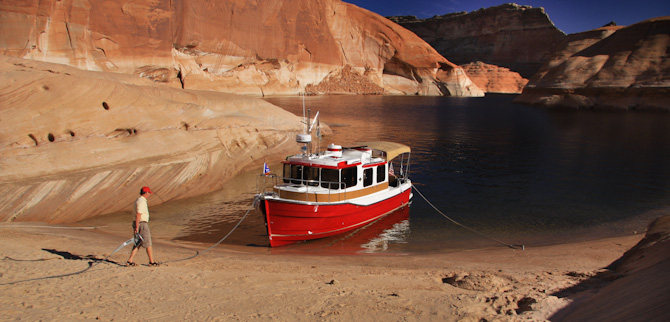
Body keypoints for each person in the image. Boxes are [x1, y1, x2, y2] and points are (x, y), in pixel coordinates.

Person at [126, 186, 159, 266]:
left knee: (138, 242)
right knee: (148, 242)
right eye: (148, 193)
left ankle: (130, 260)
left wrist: (136, 226)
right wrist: (137, 227)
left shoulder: (138, 200)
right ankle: (151, 261)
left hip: (138, 223)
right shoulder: (142, 201)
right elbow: (138, 214)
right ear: (146, 193)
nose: (149, 195)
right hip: (141, 224)